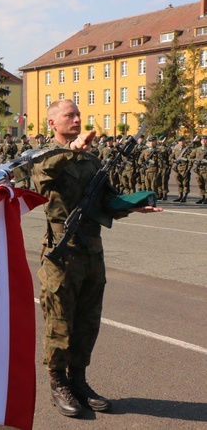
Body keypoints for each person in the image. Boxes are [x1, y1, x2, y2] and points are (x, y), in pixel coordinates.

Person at [29, 99, 161, 418]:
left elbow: (106, 199)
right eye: (69, 115)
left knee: (88, 320)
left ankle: (79, 381)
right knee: (60, 321)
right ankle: (57, 383)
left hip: (92, 251)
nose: (76, 119)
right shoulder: (44, 156)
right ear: (52, 124)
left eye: (78, 114)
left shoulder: (90, 160)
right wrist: (71, 149)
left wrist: (131, 204)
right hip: (61, 252)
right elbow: (41, 179)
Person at [171, 136, 192, 202]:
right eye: (180, 141)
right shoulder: (176, 149)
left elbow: (190, 161)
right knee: (179, 183)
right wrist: (174, 161)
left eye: (182, 141)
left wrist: (188, 169)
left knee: (185, 183)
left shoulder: (188, 150)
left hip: (185, 168)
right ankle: (180, 195)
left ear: (184, 141)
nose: (181, 142)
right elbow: (171, 157)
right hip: (177, 168)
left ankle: (185, 196)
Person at [193, 136, 207, 204]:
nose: (204, 141)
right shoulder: (197, 149)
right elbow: (191, 157)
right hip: (198, 169)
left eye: (205, 140)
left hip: (206, 169)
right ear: (201, 141)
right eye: (202, 140)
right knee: (200, 184)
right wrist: (195, 160)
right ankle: (202, 197)